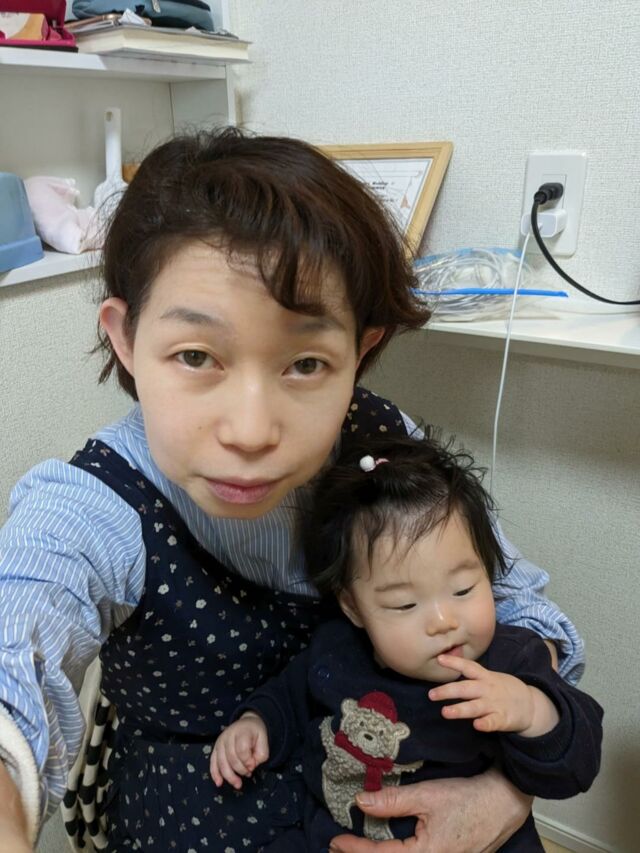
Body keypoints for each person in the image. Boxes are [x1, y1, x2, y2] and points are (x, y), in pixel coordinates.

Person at [0, 127, 585, 853]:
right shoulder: (97, 503)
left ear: (360, 351)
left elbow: (516, 605)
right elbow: (19, 628)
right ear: (125, 337)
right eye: (196, 356)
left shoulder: (380, 442)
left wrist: (502, 790)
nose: (251, 432)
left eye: (306, 363)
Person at [211, 433, 603, 851]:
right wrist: (256, 723)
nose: (443, 622)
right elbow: (289, 697)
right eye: (405, 604)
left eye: (463, 589)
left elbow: (576, 766)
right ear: (353, 608)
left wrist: (532, 711)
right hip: (331, 837)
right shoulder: (336, 651)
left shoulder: (511, 661)